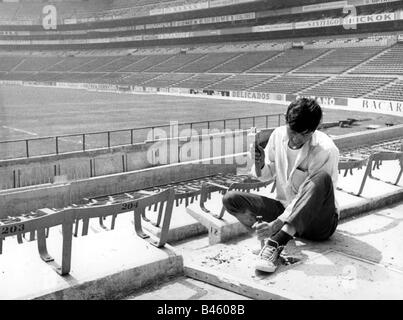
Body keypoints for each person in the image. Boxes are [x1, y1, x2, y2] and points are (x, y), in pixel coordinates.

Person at [222, 98, 340, 273]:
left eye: (304, 134)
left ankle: (276, 242)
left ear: (314, 131)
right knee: (231, 199)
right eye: (293, 131)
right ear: (286, 122)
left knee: (321, 178)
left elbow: (308, 195)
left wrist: (276, 224)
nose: (296, 138)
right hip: (284, 210)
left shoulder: (326, 149)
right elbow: (266, 174)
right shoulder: (278, 135)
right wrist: (260, 164)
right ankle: (269, 235)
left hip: (318, 223)